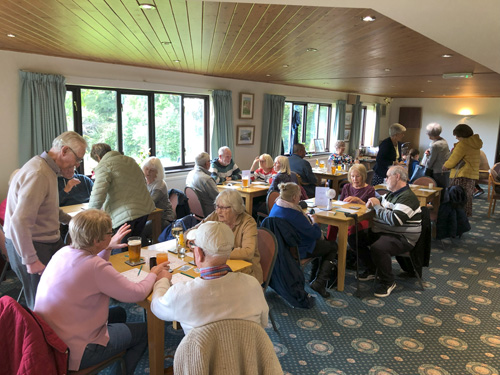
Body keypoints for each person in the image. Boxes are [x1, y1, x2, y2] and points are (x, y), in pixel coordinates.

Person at [34, 209, 171, 374]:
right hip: (74, 350)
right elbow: (137, 293)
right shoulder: (95, 266)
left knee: (119, 313)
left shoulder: (63, 252)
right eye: (109, 232)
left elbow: (93, 274)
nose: (112, 235)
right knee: (146, 331)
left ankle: (116, 357)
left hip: (50, 338)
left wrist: (106, 247)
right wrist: (154, 273)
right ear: (95, 240)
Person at [4, 131, 86, 309]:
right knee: (42, 303)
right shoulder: (39, 173)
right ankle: (45, 335)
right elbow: (19, 221)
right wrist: (31, 260)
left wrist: (70, 220)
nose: (78, 165)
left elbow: (46, 207)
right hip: (33, 244)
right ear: (64, 151)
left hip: (45, 241)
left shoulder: (46, 169)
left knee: (63, 285)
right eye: (78, 159)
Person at [151, 221, 268, 335]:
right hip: (247, 352)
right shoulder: (253, 284)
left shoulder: (181, 293)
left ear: (199, 253)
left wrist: (162, 280)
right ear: (230, 251)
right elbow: (263, 322)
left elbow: (156, 307)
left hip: (202, 354)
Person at [350, 166, 422, 298]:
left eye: (388, 176)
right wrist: (371, 203)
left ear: (397, 177)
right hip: (385, 231)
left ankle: (388, 281)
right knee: (354, 238)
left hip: (403, 237)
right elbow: (381, 206)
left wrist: (377, 205)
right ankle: (371, 268)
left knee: (379, 247)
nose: (385, 179)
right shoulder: (391, 194)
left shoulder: (407, 197)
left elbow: (395, 220)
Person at [269, 182, 337, 298]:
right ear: (294, 197)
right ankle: (319, 283)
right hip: (297, 250)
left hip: (280, 248)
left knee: (324, 243)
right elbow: (314, 234)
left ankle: (314, 277)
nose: (300, 197)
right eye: (299, 195)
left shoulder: (276, 206)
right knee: (332, 246)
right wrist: (314, 222)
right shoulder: (295, 214)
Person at [186, 189, 263, 284]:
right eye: (217, 206)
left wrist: (215, 252)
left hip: (246, 272)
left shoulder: (248, 223)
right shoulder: (215, 216)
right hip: (220, 267)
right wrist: (190, 239)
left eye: (223, 208)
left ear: (236, 209)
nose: (218, 211)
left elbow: (248, 252)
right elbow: (191, 231)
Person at [88, 143, 155, 242]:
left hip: (124, 214)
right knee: (135, 245)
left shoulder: (104, 165)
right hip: (143, 209)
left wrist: (89, 214)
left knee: (120, 249)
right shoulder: (130, 160)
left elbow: (98, 194)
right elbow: (142, 181)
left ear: (98, 157)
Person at [326, 164, 375, 241]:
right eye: (352, 176)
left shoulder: (370, 189)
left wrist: (358, 200)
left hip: (362, 217)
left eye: (358, 176)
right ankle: (330, 246)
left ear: (363, 176)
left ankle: (350, 248)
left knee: (352, 227)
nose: (355, 179)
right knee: (332, 223)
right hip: (346, 214)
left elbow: (371, 208)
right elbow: (340, 203)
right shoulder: (347, 187)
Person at [443, 124, 483, 217]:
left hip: (461, 175)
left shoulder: (463, 144)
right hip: (471, 174)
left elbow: (453, 160)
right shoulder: (475, 143)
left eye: (457, 136)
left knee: (457, 196)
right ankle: (465, 216)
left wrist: (445, 166)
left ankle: (457, 216)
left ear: (462, 134)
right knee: (467, 196)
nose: (456, 138)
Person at [141, 157, 176, 243]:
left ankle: (147, 251)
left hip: (164, 218)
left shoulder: (160, 184)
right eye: (146, 169)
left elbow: (150, 202)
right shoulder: (144, 182)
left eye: (152, 170)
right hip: (150, 216)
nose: (148, 172)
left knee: (140, 230)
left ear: (157, 172)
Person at [186, 152, 219, 217]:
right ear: (207, 164)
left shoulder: (190, 174)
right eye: (209, 161)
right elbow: (218, 198)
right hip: (210, 211)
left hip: (195, 212)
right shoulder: (207, 179)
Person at [423, 122, 450, 188]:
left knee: (436, 191)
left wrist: (425, 170)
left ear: (430, 134)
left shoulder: (435, 145)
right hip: (445, 171)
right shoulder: (444, 141)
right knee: (443, 191)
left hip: (437, 172)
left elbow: (431, 161)